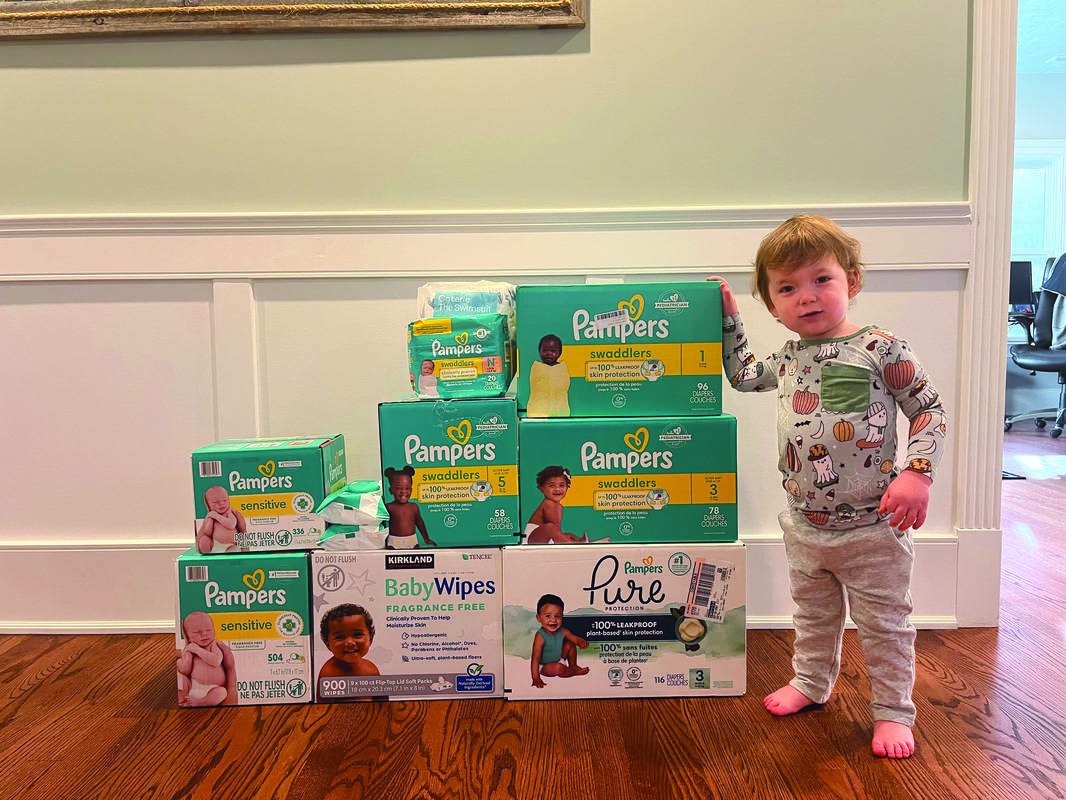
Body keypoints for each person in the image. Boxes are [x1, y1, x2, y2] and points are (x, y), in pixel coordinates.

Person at [708, 215, 946, 760]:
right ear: (773, 304)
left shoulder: (882, 349)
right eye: (787, 288)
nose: (806, 297)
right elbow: (744, 375)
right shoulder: (788, 358)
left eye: (821, 280)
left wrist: (918, 471)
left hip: (872, 530)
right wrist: (727, 320)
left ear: (852, 282)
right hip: (804, 525)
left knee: (885, 626)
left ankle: (892, 712)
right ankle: (811, 682)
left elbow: (927, 408)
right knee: (812, 616)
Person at [529, 593, 589, 687]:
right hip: (545, 666)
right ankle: (572, 671)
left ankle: (573, 665)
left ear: (562, 617)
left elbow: (574, 638)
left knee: (570, 643)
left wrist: (580, 642)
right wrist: (535, 678)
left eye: (557, 616)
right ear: (539, 618)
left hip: (559, 658)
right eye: (548, 616)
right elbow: (535, 658)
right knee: (559, 668)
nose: (553, 620)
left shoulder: (563, 631)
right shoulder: (540, 636)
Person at [177, 611, 235, 707]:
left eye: (208, 630)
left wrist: (198, 650)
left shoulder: (213, 645)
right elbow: (185, 671)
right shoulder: (190, 648)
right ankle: (183, 700)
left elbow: (216, 661)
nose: (204, 634)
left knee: (222, 692)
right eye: (197, 632)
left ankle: (199, 702)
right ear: (188, 637)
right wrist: (182, 660)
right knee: (181, 679)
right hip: (193, 685)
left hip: (214, 688)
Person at [524, 466, 595, 544]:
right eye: (551, 486)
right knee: (551, 528)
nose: (557, 489)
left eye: (561, 485)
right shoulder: (549, 503)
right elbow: (554, 529)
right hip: (531, 539)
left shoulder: (556, 505)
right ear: (542, 489)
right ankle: (573, 545)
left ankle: (585, 542)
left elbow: (556, 532)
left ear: (567, 487)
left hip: (542, 538)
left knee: (568, 535)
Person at [317, 603, 380, 682]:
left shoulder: (371, 669)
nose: (350, 642)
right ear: (328, 645)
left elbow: (381, 693)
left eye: (357, 634)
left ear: (370, 639)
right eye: (340, 637)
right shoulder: (329, 674)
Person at [383, 466, 437, 549]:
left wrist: (426, 538)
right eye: (398, 488)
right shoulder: (388, 507)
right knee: (392, 560)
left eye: (407, 488)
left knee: (417, 560)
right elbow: (381, 525)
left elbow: (420, 523)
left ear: (411, 490)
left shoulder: (413, 507)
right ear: (391, 490)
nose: (403, 491)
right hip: (394, 542)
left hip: (412, 541)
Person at [526, 333, 570, 417]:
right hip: (537, 412)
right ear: (540, 351)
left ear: (560, 352)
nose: (548, 353)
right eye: (545, 350)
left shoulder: (562, 368)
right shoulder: (536, 367)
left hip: (560, 411)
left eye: (553, 351)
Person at [196, 486, 246, 554]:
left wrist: (217, 516)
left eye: (225, 500)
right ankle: (208, 554)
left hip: (231, 544)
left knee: (235, 549)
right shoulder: (211, 515)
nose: (221, 503)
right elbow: (207, 532)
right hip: (215, 544)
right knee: (203, 540)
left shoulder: (229, 513)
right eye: (215, 502)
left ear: (229, 500)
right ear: (208, 505)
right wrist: (210, 520)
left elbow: (231, 525)